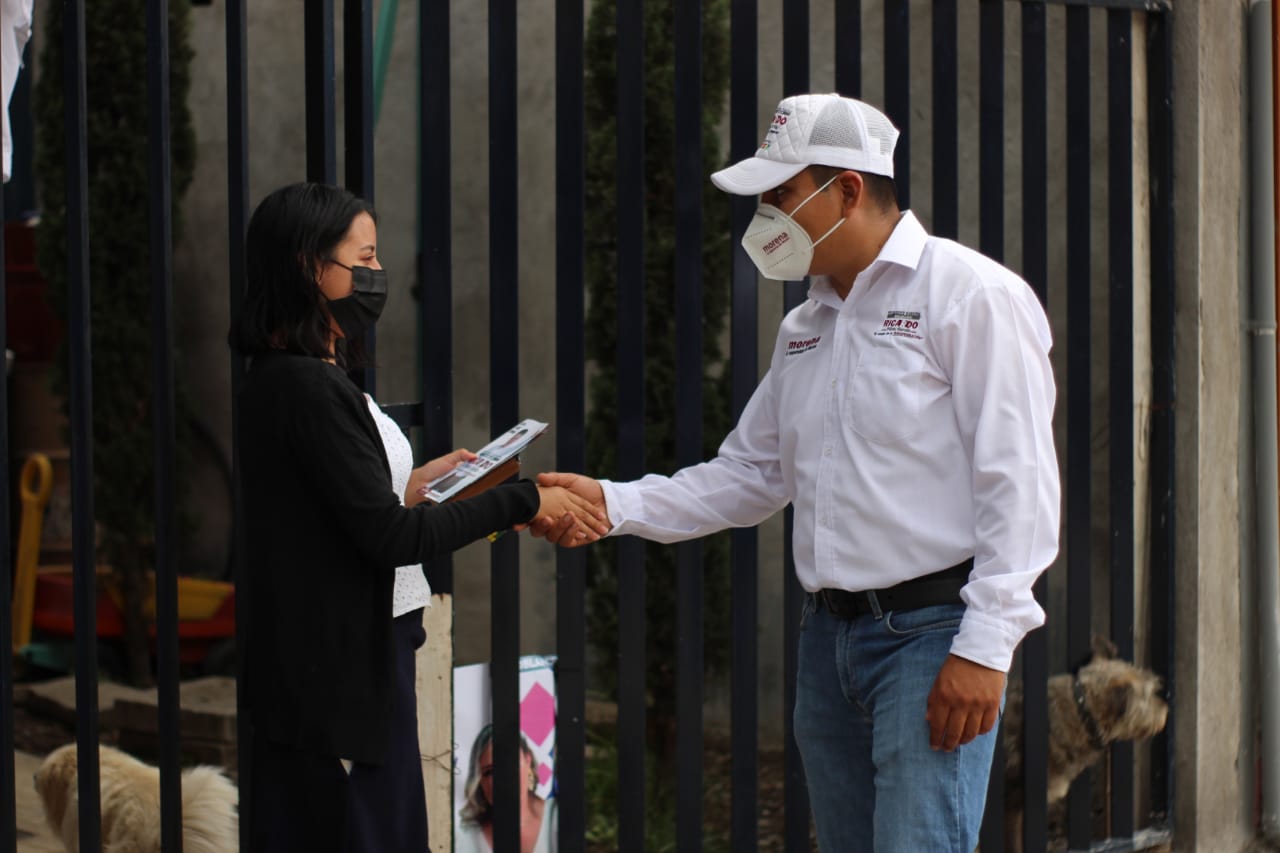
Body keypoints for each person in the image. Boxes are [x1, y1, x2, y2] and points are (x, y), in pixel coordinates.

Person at [533, 93, 1060, 852]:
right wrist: (612, 503)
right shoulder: (806, 325)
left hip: (932, 636)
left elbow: (1021, 481)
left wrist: (986, 644)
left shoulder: (971, 296)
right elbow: (749, 474)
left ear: (848, 189)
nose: (767, 218)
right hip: (829, 645)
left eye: (782, 195)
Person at [230, 182, 606, 852]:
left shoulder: (291, 377)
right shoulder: (304, 388)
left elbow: (340, 515)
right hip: (336, 699)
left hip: (336, 685)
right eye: (363, 257)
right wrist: (521, 500)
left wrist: (413, 486)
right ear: (310, 267)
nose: (376, 275)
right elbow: (388, 538)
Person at [455, 725, 556, 853]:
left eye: (509, 763)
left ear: (528, 760)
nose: (502, 779)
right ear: (480, 782)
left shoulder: (555, 815)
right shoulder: (466, 836)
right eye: (489, 772)